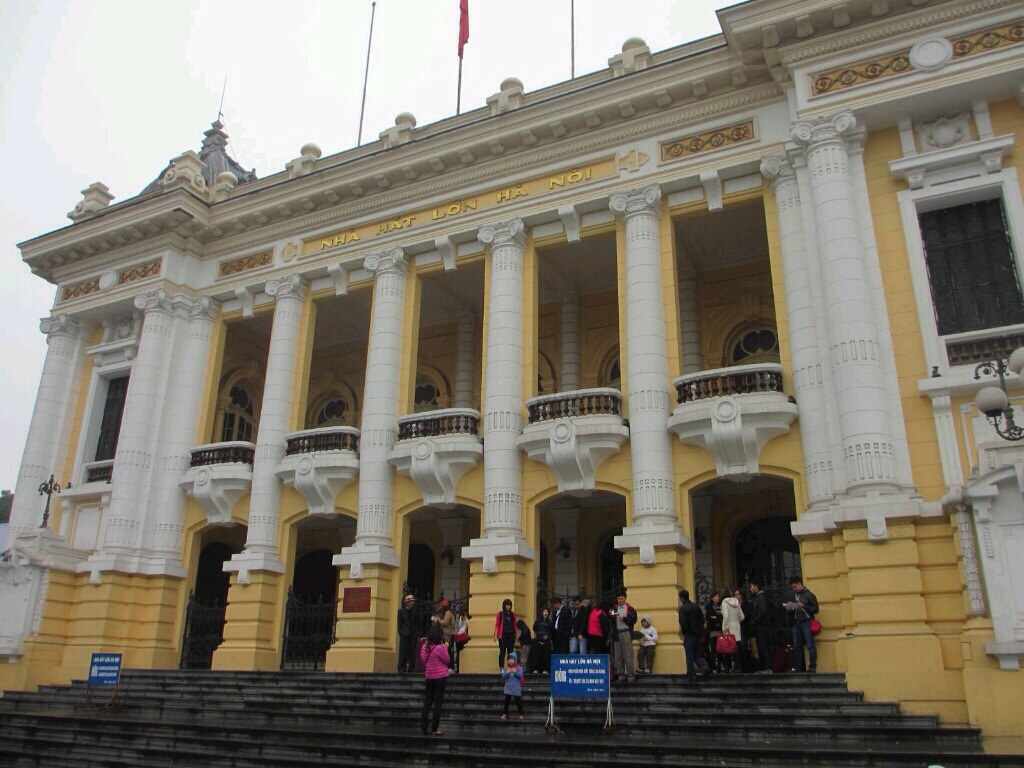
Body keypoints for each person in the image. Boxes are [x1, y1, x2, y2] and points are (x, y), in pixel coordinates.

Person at [419, 624, 450, 736]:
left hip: (429, 676)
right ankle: (435, 728)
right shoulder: (439, 648)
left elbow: (423, 659)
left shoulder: (425, 647)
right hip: (440, 677)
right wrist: (445, 648)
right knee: (438, 703)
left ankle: (424, 727)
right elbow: (447, 660)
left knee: (427, 701)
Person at [785, 575, 819, 673]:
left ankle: (812, 666)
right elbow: (793, 609)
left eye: (795, 586)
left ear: (800, 584)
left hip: (806, 622)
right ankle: (798, 667)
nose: (794, 589)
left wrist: (804, 606)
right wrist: (790, 608)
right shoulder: (794, 595)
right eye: (792, 587)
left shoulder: (809, 595)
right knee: (797, 646)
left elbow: (816, 609)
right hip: (796, 623)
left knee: (810, 644)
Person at [608, 589, 637, 682]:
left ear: (625, 598)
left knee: (628, 654)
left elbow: (633, 619)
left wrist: (624, 618)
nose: (619, 600)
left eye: (621, 598)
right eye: (618, 599)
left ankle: (630, 674)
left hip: (626, 632)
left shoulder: (630, 609)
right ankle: (621, 674)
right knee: (618, 655)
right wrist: (612, 615)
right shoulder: (614, 608)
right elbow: (610, 618)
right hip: (617, 633)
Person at [677, 589, 704, 681]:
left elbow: (683, 622)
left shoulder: (683, 609)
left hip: (689, 634)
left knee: (689, 654)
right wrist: (699, 630)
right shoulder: (696, 606)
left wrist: (684, 631)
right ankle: (703, 665)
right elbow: (701, 619)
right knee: (696, 652)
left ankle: (691, 674)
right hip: (697, 634)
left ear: (681, 598)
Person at [748, 579, 773, 672]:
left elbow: (763, 610)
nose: (750, 589)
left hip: (762, 625)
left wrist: (755, 619)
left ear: (756, 586)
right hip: (762, 625)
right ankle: (765, 665)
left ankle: (766, 666)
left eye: (751, 587)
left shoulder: (761, 596)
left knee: (763, 645)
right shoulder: (758, 597)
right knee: (761, 645)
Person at [719, 587, 745, 674]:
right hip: (736, 626)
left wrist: (725, 628)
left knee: (727, 648)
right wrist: (737, 620)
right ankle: (739, 666)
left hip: (729, 627)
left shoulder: (724, 603)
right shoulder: (736, 601)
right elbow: (742, 616)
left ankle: (728, 667)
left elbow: (726, 616)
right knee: (737, 648)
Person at [499, 650, 525, 720]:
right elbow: (503, 677)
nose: (510, 661)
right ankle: (505, 714)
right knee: (507, 701)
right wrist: (507, 673)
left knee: (518, 701)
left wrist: (514, 672)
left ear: (515, 660)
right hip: (508, 688)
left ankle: (520, 714)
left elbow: (520, 676)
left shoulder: (519, 668)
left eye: (512, 659)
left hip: (516, 688)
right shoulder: (506, 668)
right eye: (509, 659)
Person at [493, 598, 518, 669]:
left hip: (511, 635)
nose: (508, 607)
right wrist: (495, 635)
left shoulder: (512, 615)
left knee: (510, 652)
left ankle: (510, 666)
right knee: (502, 651)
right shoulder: (500, 614)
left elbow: (514, 624)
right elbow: (497, 625)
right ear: (504, 606)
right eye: (507, 605)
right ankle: (501, 667)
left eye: (510, 605)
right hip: (503, 635)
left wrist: (516, 633)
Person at [704, 591, 724, 672]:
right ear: (712, 598)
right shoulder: (709, 606)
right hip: (713, 630)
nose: (717, 598)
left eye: (718, 596)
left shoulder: (721, 605)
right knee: (713, 648)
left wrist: (716, 616)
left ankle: (720, 665)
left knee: (720, 648)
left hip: (720, 630)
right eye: (715, 596)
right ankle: (713, 666)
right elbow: (709, 616)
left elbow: (722, 616)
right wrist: (717, 615)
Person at [397, 594, 416, 673]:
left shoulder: (415, 611)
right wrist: (402, 633)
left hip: (413, 635)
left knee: (412, 653)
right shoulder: (401, 611)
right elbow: (399, 624)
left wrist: (415, 633)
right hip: (404, 635)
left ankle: (411, 669)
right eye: (411, 601)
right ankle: (402, 668)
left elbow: (417, 623)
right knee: (403, 653)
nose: (413, 602)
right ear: (407, 602)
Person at [531, 607, 554, 674]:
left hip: (546, 641)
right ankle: (536, 669)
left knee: (546, 656)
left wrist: (548, 637)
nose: (545, 613)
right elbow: (534, 628)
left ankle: (545, 669)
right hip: (538, 641)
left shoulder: (549, 622)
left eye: (547, 612)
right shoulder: (538, 621)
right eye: (544, 611)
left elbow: (551, 631)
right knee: (537, 655)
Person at [436, 598, 455, 669]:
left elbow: (445, 622)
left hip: (448, 634)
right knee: (446, 650)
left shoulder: (448, 613)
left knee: (447, 651)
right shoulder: (449, 612)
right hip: (447, 633)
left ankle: (449, 666)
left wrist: (438, 619)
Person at [453, 607, 470, 673]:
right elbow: (459, 626)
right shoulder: (460, 618)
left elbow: (468, 625)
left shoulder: (468, 618)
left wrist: (465, 620)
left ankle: (460, 668)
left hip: (463, 636)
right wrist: (462, 620)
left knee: (462, 653)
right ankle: (458, 668)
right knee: (459, 653)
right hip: (461, 636)